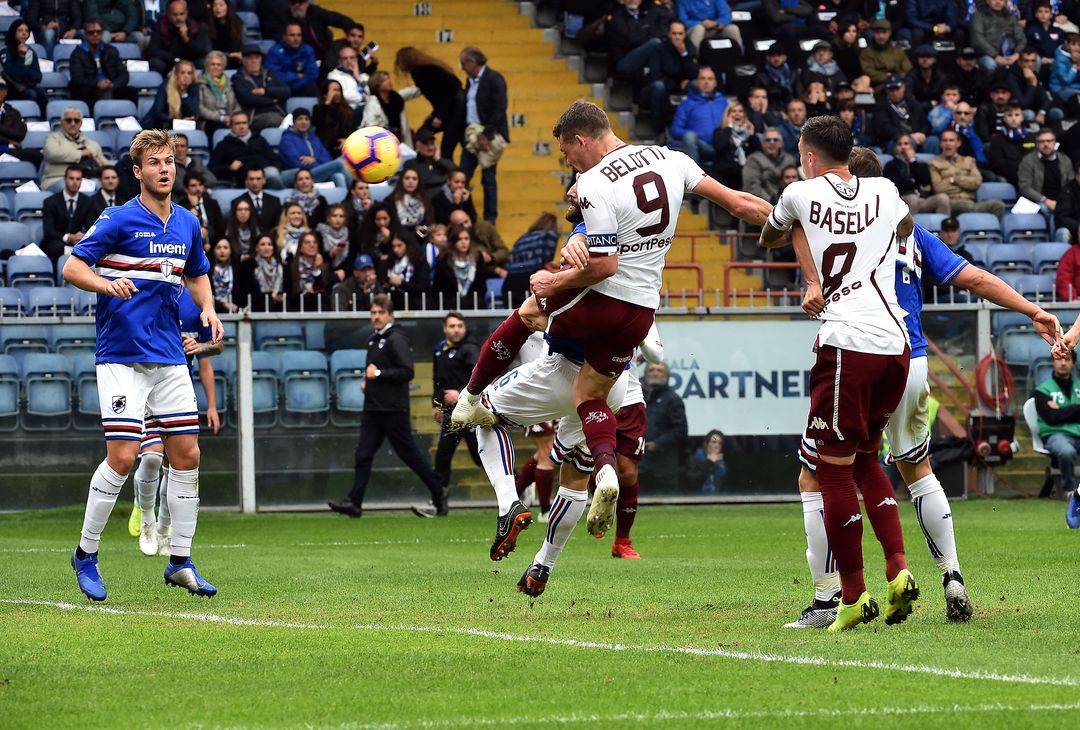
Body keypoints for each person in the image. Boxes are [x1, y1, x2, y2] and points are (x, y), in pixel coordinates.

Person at [451, 101, 771, 551]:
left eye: (566, 154)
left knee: (528, 311)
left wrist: (556, 277)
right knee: (590, 395)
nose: (568, 164)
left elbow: (602, 266)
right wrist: (785, 223)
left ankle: (469, 397)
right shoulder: (672, 159)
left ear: (581, 140)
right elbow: (738, 203)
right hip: (640, 313)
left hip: (599, 300)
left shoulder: (596, 182)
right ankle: (605, 470)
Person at [784, 145, 1062, 630]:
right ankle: (951, 575)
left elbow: (789, 230)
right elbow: (972, 276)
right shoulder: (914, 236)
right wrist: (1031, 309)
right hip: (910, 362)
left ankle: (829, 596)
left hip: (858, 355)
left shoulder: (833, 221)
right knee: (917, 470)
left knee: (819, 474)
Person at [759, 116, 918, 632]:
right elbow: (906, 228)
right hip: (896, 342)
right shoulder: (886, 188)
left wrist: (812, 259)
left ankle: (851, 594)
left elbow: (770, 236)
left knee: (830, 469)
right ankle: (898, 571)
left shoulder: (798, 193)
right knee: (869, 459)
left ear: (808, 155)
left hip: (846, 342)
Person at [63, 129, 223, 602]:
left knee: (188, 455)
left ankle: (181, 561)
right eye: (154, 162)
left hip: (170, 355)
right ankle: (85, 554)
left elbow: (197, 273)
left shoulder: (188, 224)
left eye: (169, 161)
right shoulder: (118, 219)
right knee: (124, 457)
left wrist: (208, 308)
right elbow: (73, 267)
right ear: (137, 172)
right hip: (122, 356)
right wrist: (105, 285)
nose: (164, 168)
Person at [328, 295, 447, 518]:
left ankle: (438, 490)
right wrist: (369, 383)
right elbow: (378, 371)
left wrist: (378, 374)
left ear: (390, 315)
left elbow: (407, 372)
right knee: (363, 454)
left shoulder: (396, 339)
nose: (376, 317)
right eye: (373, 313)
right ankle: (355, 503)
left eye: (380, 313)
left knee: (409, 455)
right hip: (374, 408)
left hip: (392, 409)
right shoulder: (375, 339)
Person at [129, 287, 223, 556]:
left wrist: (200, 345)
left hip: (176, 391)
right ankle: (145, 511)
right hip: (144, 386)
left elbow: (215, 348)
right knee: (151, 458)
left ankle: (164, 529)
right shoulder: (147, 289)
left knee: (176, 465)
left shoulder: (197, 299)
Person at [412, 312, 483, 518]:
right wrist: (436, 405)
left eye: (460, 325)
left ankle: (518, 486)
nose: (456, 329)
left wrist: (459, 393)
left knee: (481, 457)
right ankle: (438, 504)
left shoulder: (471, 349)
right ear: (445, 329)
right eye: (452, 326)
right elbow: (438, 381)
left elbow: (481, 378)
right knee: (442, 457)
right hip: (451, 415)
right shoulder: (440, 350)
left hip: (471, 413)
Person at [457, 46, 508, 224]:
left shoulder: (494, 79)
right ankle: (462, 214)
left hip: (489, 136)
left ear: (472, 63)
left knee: (488, 178)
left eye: (463, 64)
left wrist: (487, 134)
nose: (462, 67)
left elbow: (500, 108)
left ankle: (489, 219)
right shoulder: (469, 81)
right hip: (471, 136)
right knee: (462, 176)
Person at [394, 46, 463, 159]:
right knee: (434, 139)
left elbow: (446, 93)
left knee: (443, 147)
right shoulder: (430, 68)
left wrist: (439, 115)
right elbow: (445, 92)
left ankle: (427, 165)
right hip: (454, 109)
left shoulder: (421, 72)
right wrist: (435, 114)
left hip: (453, 111)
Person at [1034, 349, 1080, 516]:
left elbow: (1058, 414)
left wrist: (1063, 411)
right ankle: (1070, 491)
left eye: (1067, 359)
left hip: (1078, 434)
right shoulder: (1042, 390)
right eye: (1059, 359)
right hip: (1055, 435)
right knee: (1066, 451)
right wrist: (1076, 410)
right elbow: (1051, 418)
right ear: (1052, 362)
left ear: (1073, 363)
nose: (1063, 363)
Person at [636, 361, 688, 492]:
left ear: (667, 375)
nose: (655, 373)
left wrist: (658, 443)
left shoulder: (673, 399)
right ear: (645, 374)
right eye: (651, 370)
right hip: (640, 465)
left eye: (659, 370)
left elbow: (680, 431)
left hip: (663, 467)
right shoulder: (637, 397)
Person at [929, 130, 1005, 218]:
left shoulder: (969, 161)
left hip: (972, 202)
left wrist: (953, 180)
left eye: (951, 140)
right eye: (944, 140)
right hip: (951, 203)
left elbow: (976, 182)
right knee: (966, 206)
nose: (948, 144)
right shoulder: (934, 163)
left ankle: (990, 230)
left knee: (998, 205)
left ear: (958, 143)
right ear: (940, 144)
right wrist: (966, 183)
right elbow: (938, 188)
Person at [642, 20, 698, 137]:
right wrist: (677, 83)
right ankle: (658, 131)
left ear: (685, 34)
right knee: (659, 86)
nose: (677, 37)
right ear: (668, 34)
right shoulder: (658, 49)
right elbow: (655, 76)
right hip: (659, 88)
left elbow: (694, 74)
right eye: (674, 33)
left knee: (694, 84)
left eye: (680, 34)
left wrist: (684, 55)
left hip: (678, 86)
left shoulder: (688, 48)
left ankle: (694, 127)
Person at [668, 66, 726, 166]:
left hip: (723, 146)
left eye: (710, 79)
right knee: (689, 137)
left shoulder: (724, 102)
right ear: (697, 82)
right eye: (703, 78)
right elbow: (675, 130)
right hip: (702, 146)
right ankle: (694, 179)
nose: (706, 82)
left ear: (715, 83)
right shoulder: (687, 104)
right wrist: (694, 134)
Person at [278, 107, 349, 189]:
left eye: (307, 119)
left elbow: (328, 158)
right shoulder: (287, 139)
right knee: (339, 162)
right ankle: (356, 186)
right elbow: (297, 163)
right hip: (302, 176)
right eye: (300, 119)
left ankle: (347, 198)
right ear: (294, 122)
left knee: (338, 176)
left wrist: (314, 159)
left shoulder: (314, 138)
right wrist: (320, 164)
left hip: (319, 172)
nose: (304, 122)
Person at [69, 19, 130, 112]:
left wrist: (112, 85)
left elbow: (124, 74)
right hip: (90, 88)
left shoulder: (111, 50)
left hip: (111, 86)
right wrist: (97, 84)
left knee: (130, 92)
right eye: (91, 32)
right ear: (85, 34)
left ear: (102, 34)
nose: (95, 35)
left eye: (98, 32)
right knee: (85, 91)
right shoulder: (77, 54)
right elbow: (77, 78)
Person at [42, 107, 107, 191]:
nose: (73, 123)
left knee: (99, 186)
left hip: (86, 179)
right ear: (62, 122)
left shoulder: (93, 144)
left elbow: (106, 167)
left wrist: (100, 164)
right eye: (68, 120)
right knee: (66, 187)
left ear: (81, 123)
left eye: (76, 120)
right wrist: (81, 154)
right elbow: (52, 153)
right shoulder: (52, 138)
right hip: (56, 179)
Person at [209, 111, 281, 187]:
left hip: (267, 173)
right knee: (272, 174)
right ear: (230, 126)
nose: (242, 126)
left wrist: (276, 169)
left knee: (293, 173)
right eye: (238, 123)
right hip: (247, 179)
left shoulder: (259, 139)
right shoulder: (224, 145)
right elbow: (212, 168)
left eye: (244, 123)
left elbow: (275, 160)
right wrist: (229, 168)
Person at [1018, 128, 1074, 227]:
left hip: (1061, 200)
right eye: (1042, 141)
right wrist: (1045, 200)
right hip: (1037, 201)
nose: (1046, 144)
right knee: (1045, 208)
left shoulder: (1065, 160)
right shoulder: (1028, 161)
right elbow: (1025, 188)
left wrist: (1063, 201)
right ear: (1037, 144)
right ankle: (1051, 237)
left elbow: (1071, 185)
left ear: (1055, 142)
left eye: (1049, 141)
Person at [884, 134, 951, 215]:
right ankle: (910, 227)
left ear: (912, 147)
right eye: (899, 144)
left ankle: (945, 227)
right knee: (913, 198)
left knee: (943, 198)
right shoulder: (890, 165)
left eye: (906, 144)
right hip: (903, 200)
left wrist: (912, 161)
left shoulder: (920, 164)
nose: (903, 147)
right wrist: (917, 184)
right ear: (895, 148)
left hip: (922, 200)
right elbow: (896, 186)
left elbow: (926, 183)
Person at [42, 165, 97, 262]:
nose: (75, 182)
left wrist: (83, 235)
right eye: (71, 178)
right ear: (65, 180)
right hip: (57, 241)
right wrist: (68, 237)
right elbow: (48, 232)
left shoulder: (88, 201)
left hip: (78, 241)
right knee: (56, 247)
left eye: (78, 179)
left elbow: (91, 227)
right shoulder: (50, 202)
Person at [504, 212, 559, 306]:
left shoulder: (524, 237)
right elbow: (546, 261)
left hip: (509, 283)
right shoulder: (550, 234)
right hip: (530, 281)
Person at [232, 44, 289, 133]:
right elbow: (247, 99)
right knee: (273, 119)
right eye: (250, 58)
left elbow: (286, 91)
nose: (254, 61)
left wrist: (265, 91)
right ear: (243, 60)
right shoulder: (238, 78)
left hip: (279, 113)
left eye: (257, 57)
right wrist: (272, 100)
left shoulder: (270, 74)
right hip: (255, 117)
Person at [433, 223, 491, 309]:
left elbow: (482, 287)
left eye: (466, 239)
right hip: (450, 305)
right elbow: (439, 288)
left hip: (474, 304)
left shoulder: (478, 258)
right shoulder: (444, 260)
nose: (463, 242)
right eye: (459, 239)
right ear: (453, 241)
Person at [606, 0, 668, 79]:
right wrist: (648, 37)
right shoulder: (617, 18)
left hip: (642, 57)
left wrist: (647, 36)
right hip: (623, 61)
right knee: (655, 42)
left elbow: (653, 33)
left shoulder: (644, 15)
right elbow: (633, 40)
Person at [145, 0, 210, 75]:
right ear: (168, 14)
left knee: (203, 63)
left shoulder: (196, 26)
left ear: (187, 13)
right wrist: (174, 59)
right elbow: (153, 49)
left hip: (190, 62)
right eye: (175, 14)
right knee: (156, 62)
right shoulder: (160, 25)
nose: (178, 18)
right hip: (168, 61)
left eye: (181, 14)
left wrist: (187, 39)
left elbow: (201, 52)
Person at [0, 18, 46, 114]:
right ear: (14, 32)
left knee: (42, 94)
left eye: (26, 31)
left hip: (26, 85)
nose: (24, 33)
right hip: (10, 88)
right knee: (32, 94)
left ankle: (42, 120)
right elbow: (13, 74)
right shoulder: (5, 52)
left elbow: (38, 76)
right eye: (20, 30)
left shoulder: (30, 52)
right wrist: (21, 57)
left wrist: (26, 73)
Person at [987, 102, 1036, 187]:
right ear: (1004, 118)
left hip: (1029, 176)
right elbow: (997, 163)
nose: (1013, 118)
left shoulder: (1031, 137)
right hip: (1008, 176)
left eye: (1017, 115)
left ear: (1022, 118)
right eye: (1010, 115)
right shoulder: (997, 138)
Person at [285, 0, 353, 61]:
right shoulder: (285, 17)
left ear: (307, 3)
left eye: (300, 2)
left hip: (323, 56)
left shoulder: (316, 13)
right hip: (297, 58)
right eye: (293, 2)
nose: (296, 5)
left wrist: (352, 34)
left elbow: (340, 20)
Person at [873, 75, 928, 150]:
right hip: (893, 140)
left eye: (897, 89)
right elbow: (884, 129)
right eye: (891, 90)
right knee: (907, 143)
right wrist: (908, 136)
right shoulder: (881, 106)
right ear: (886, 91)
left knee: (932, 140)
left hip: (916, 136)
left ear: (903, 87)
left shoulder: (913, 103)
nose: (895, 93)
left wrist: (923, 133)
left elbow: (925, 122)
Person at [362, 70, 415, 147]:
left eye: (388, 79)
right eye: (385, 80)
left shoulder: (396, 98)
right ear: (377, 84)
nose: (389, 81)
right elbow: (371, 126)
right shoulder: (372, 103)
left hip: (400, 141)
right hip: (383, 143)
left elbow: (412, 92)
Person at [743, 128, 796, 204]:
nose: (772, 143)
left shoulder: (790, 160)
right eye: (768, 140)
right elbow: (752, 187)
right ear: (762, 143)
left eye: (775, 140)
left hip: (788, 204)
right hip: (762, 204)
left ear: (781, 143)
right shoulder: (753, 160)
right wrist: (772, 202)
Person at [972, 0, 1026, 74]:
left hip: (1011, 55)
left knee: (1036, 60)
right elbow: (978, 40)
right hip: (987, 55)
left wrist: (1017, 54)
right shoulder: (978, 15)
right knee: (991, 65)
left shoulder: (1011, 16)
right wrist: (995, 56)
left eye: (1001, 0)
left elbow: (1021, 38)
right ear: (987, 1)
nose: (998, 2)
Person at [266, 20, 318, 97]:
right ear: (284, 37)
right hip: (282, 89)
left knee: (312, 87)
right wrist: (296, 76)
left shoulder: (308, 50)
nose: (296, 38)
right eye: (292, 35)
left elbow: (313, 74)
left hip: (300, 87)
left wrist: (294, 86)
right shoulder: (274, 52)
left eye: (299, 35)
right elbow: (274, 76)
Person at [381, 228, 430, 310]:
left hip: (415, 306)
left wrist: (402, 283)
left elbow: (423, 287)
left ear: (408, 245)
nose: (396, 249)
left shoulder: (419, 262)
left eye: (399, 246)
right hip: (394, 306)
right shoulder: (389, 262)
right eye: (393, 246)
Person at [143, 60, 199, 131]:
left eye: (189, 73)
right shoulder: (165, 86)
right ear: (176, 75)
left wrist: (184, 94)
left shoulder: (194, 88)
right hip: (160, 124)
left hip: (182, 124)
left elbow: (193, 112)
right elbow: (158, 112)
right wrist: (177, 121)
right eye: (182, 73)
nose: (186, 76)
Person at [235, 234, 284, 310]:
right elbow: (246, 293)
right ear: (256, 248)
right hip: (256, 307)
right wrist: (270, 295)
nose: (266, 248)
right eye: (262, 244)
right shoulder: (247, 266)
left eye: (269, 244)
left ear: (273, 248)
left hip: (279, 307)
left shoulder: (280, 266)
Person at [197, 50, 240, 136]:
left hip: (229, 119)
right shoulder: (200, 83)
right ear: (206, 66)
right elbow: (200, 108)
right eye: (212, 64)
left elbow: (236, 105)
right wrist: (221, 118)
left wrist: (233, 117)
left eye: (219, 65)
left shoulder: (229, 83)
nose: (216, 67)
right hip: (209, 121)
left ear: (223, 67)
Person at [860, 19, 912, 91]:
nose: (881, 36)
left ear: (889, 33)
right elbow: (868, 72)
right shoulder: (866, 53)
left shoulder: (897, 51)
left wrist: (895, 77)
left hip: (899, 84)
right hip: (878, 87)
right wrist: (886, 77)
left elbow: (908, 69)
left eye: (884, 32)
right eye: (877, 33)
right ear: (873, 33)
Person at [285, 230, 330, 309]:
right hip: (298, 305)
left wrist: (317, 269)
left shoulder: (325, 267)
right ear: (301, 247)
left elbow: (323, 291)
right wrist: (305, 292)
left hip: (318, 306)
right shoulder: (291, 267)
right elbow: (290, 293)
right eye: (307, 242)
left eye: (314, 242)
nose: (312, 245)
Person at [404, 129, 455, 198]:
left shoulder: (442, 163)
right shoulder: (410, 164)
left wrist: (438, 159)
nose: (430, 148)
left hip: (444, 201)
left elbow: (457, 174)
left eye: (432, 144)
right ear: (417, 146)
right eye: (426, 144)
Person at [179, 170, 225, 244]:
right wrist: (194, 206)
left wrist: (208, 233)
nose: (198, 188)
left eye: (200, 185)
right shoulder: (181, 207)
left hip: (213, 244)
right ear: (186, 189)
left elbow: (220, 228)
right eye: (193, 185)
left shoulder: (212, 203)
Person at [313, 79, 355, 157]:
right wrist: (327, 102)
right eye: (334, 90)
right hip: (327, 146)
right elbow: (317, 124)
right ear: (325, 94)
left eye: (339, 90)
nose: (337, 93)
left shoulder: (348, 110)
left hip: (347, 145)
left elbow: (353, 129)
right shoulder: (319, 109)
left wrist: (347, 140)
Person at [235, 166, 282, 232]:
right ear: (246, 181)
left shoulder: (275, 201)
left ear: (264, 180)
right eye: (251, 179)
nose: (254, 182)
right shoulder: (237, 202)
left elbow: (278, 226)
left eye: (258, 179)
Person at [326, 43, 369, 113]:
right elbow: (344, 96)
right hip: (348, 111)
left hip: (365, 111)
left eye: (352, 58)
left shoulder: (363, 76)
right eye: (345, 58)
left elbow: (369, 92)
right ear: (340, 61)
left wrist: (357, 77)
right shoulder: (333, 76)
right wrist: (363, 98)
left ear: (356, 59)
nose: (349, 61)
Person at [315, 203, 351, 281]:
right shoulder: (319, 233)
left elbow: (351, 258)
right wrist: (331, 253)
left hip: (344, 271)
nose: (338, 219)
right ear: (328, 218)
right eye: (334, 216)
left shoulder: (349, 233)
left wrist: (344, 270)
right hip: (325, 270)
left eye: (341, 216)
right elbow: (318, 256)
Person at [206, 0, 244, 68]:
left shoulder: (238, 24)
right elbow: (209, 51)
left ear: (228, 7)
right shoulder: (207, 26)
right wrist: (231, 55)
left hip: (237, 59)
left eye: (221, 5)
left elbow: (243, 45)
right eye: (215, 5)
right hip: (216, 59)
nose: (217, 8)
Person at [692, 430, 726, 494]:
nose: (717, 446)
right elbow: (693, 481)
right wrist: (710, 462)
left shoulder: (722, 463)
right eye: (714, 442)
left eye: (720, 443)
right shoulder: (695, 458)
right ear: (706, 444)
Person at [1055, 165, 1080, 244]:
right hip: (1073, 230)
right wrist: (1078, 226)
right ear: (1077, 176)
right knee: (1063, 232)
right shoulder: (1068, 191)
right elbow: (1061, 218)